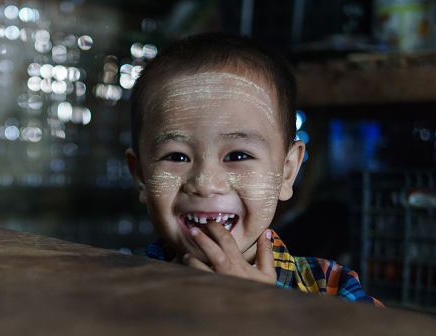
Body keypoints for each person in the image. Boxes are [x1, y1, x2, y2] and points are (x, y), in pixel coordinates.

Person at [125, 32, 382, 306]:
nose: (205, 183)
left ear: (286, 172)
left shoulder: (331, 288)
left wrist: (265, 311)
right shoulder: (122, 291)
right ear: (141, 176)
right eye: (176, 157)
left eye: (237, 155)